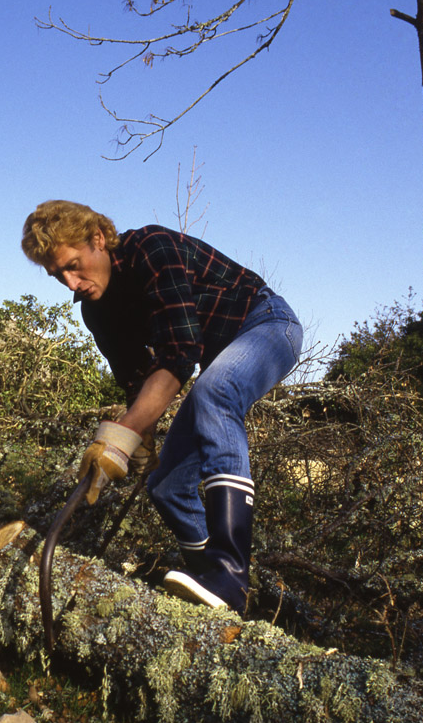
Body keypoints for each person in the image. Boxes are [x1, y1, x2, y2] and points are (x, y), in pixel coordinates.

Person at [22, 200, 303, 614]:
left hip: (266, 324)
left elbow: (178, 354)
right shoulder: (99, 313)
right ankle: (211, 590)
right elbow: (138, 383)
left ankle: (230, 573)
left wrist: (121, 436)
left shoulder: (151, 249)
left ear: (98, 239)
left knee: (214, 391)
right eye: (58, 275)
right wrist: (138, 441)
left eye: (74, 264)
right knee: (165, 486)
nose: (70, 283)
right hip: (216, 366)